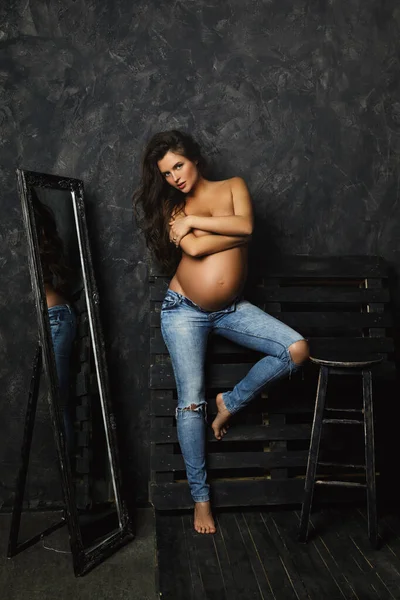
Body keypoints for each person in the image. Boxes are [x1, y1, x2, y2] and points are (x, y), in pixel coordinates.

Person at [134, 130, 309, 534]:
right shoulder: (172, 205)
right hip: (183, 311)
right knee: (190, 403)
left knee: (296, 349)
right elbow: (193, 251)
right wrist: (218, 227)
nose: (174, 177)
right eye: (166, 173)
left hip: (231, 310)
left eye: (178, 165)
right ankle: (201, 499)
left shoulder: (232, 187)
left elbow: (247, 228)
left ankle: (230, 401)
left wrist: (198, 222)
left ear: (194, 158)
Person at [32, 191, 77, 453]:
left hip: (57, 319)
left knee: (59, 407)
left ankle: (68, 487)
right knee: (56, 408)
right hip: (51, 319)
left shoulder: (40, 239)